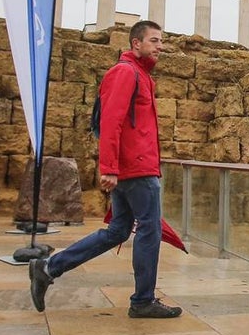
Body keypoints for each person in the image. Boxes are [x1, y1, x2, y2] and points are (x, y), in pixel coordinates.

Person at [29, 20, 182, 318]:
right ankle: (142, 301)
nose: (160, 46)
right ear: (135, 43)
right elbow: (111, 121)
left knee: (118, 231)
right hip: (135, 170)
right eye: (154, 40)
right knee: (148, 230)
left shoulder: (138, 74)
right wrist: (109, 167)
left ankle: (48, 268)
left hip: (134, 167)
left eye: (161, 41)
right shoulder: (126, 73)